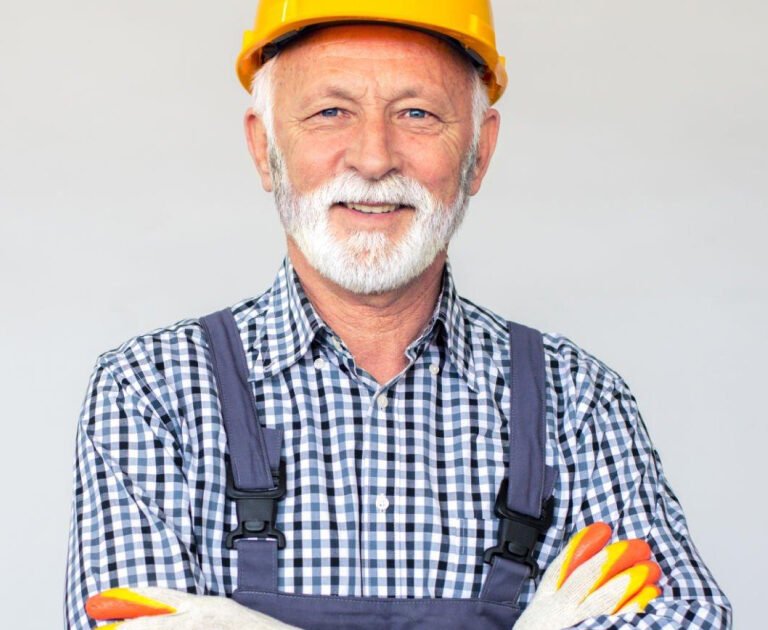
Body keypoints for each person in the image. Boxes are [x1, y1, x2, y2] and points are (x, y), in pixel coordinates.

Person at [65, 1, 731, 628]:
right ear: (264, 148)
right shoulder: (153, 392)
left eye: (417, 114)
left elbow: (685, 617)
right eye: (330, 111)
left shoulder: (577, 402)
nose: (374, 158)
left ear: (480, 153)